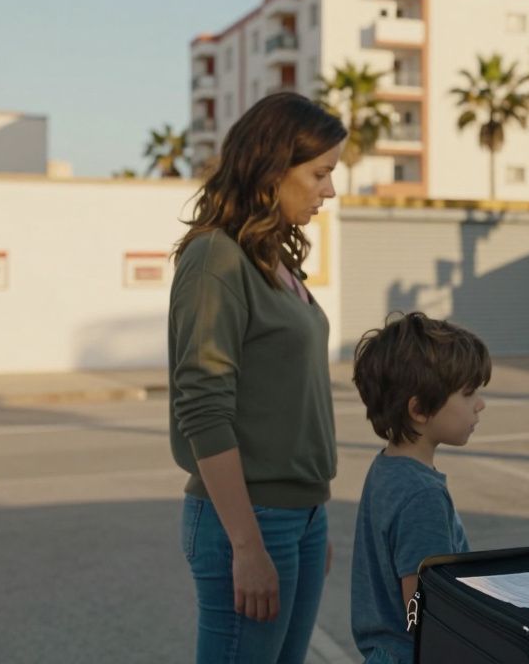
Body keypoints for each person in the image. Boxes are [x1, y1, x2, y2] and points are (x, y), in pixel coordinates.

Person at [169, 92, 345, 663]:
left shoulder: (275, 260)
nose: (330, 190)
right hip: (248, 519)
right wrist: (247, 544)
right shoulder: (215, 259)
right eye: (320, 173)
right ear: (272, 168)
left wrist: (313, 513)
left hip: (300, 515)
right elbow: (203, 407)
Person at [349, 312, 491, 664]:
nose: (480, 404)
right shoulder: (421, 496)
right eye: (468, 393)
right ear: (420, 409)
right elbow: (426, 616)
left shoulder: (387, 467)